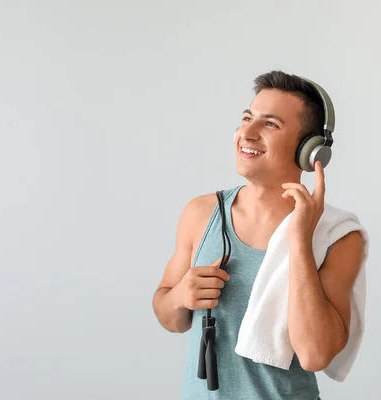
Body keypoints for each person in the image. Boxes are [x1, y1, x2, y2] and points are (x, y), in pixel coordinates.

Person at [152, 70, 365, 400]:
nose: (246, 133)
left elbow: (314, 355)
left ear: (309, 150)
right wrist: (180, 296)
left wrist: (299, 240)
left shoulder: (337, 237)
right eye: (246, 118)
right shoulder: (201, 213)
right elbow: (171, 318)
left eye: (270, 124)